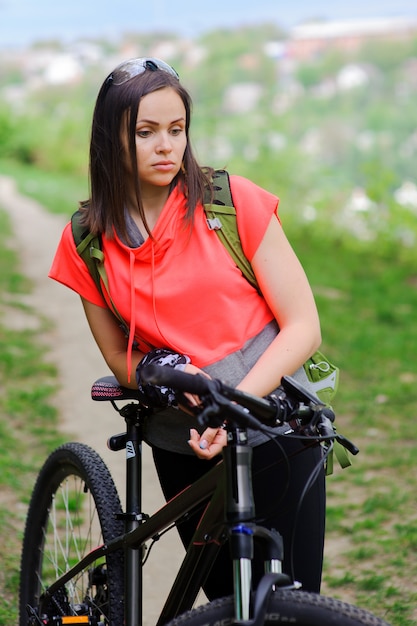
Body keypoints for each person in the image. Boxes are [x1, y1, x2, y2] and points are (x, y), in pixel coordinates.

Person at [49, 57, 325, 597]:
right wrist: (161, 371)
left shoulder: (231, 202)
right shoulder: (87, 239)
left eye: (176, 130)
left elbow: (303, 326)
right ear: (109, 141)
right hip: (181, 442)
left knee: (290, 601)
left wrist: (232, 403)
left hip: (277, 425)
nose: (166, 146)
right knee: (226, 600)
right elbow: (117, 357)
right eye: (145, 132)